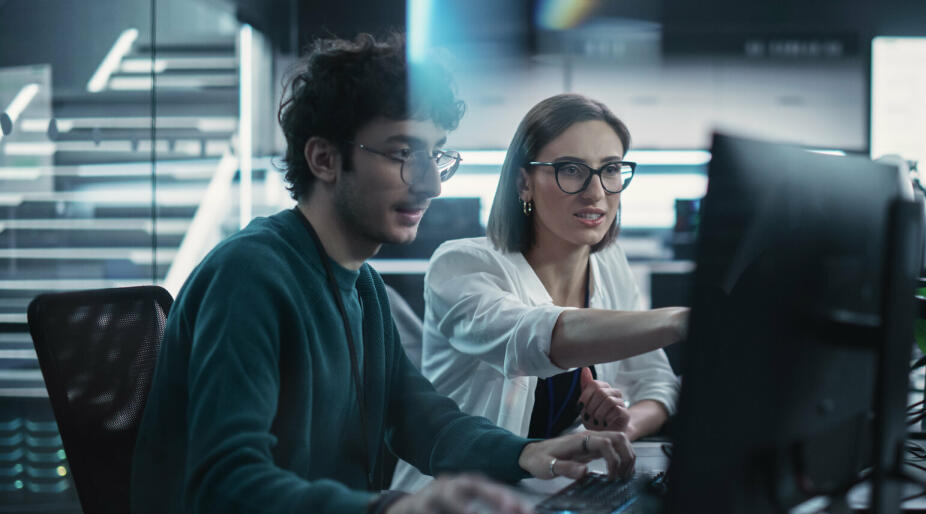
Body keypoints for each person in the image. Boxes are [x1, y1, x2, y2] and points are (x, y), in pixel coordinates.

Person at [130, 35, 634, 514]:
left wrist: (528, 453)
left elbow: (420, 420)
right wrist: (395, 506)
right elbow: (225, 481)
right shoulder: (249, 276)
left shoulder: (363, 287)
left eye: (435, 154)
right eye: (402, 154)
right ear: (325, 159)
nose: (432, 183)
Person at [391, 93, 685, 492]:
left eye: (611, 169)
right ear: (523, 182)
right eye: (570, 169)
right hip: (449, 499)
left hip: (540, 492)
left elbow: (657, 383)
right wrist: (679, 321)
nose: (595, 192)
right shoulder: (460, 265)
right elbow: (533, 337)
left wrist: (615, 430)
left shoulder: (610, 263)